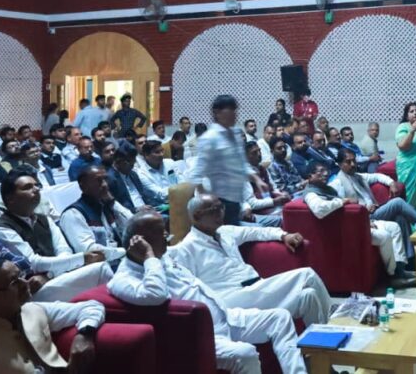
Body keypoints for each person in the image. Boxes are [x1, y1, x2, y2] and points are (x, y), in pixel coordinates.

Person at [109, 212, 307, 374]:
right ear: (139, 241)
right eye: (160, 231)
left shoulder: (164, 256)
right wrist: (149, 258)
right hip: (196, 338)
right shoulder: (123, 278)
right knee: (245, 353)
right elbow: (155, 294)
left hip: (226, 318)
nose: (166, 235)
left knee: (280, 318)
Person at [170, 193, 330, 326]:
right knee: (307, 274)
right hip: (230, 299)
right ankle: (336, 323)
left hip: (255, 287)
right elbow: (185, 290)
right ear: (197, 216)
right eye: (213, 210)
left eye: (221, 207)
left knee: (308, 296)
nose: (220, 213)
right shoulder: (186, 249)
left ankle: (321, 350)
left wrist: (284, 235)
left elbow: (257, 232)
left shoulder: (226, 231)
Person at [0, 258, 103, 373]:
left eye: (21, 276)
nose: (25, 283)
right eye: (14, 282)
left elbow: (91, 307)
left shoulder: (32, 309)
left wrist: (84, 335)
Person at [0, 171, 113, 302]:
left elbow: (64, 250)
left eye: (36, 185)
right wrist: (82, 258)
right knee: (101, 269)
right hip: (31, 291)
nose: (36, 189)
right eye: (28, 187)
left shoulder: (44, 219)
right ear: (10, 198)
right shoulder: (1, 230)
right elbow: (33, 263)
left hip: (51, 278)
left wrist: (50, 274)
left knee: (100, 270)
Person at [301, 163, 414, 288]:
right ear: (310, 176)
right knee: (384, 236)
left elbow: (347, 211)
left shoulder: (328, 189)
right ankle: (393, 276)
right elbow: (319, 210)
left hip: (353, 224)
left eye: (326, 170)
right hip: (342, 232)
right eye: (321, 171)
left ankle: (400, 270)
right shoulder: (311, 194)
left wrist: (365, 222)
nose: (326, 174)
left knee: (394, 227)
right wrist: (342, 201)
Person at [331, 148, 416, 258]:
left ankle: (410, 259)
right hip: (365, 217)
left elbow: (378, 176)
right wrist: (363, 208)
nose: (353, 164)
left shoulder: (359, 176)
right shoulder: (338, 183)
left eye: (354, 160)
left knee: (400, 219)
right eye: (348, 162)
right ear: (340, 164)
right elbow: (340, 206)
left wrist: (392, 183)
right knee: (397, 202)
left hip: (376, 210)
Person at [188, 96, 251, 226]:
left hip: (237, 198)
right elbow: (197, 174)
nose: (235, 114)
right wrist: (207, 199)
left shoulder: (235, 134)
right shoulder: (210, 138)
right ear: (217, 112)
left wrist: (256, 178)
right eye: (230, 110)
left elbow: (242, 163)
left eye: (235, 110)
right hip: (221, 201)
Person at [58, 167, 131, 259]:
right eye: (99, 181)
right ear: (83, 186)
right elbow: (90, 251)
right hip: (103, 264)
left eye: (105, 179)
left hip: (123, 258)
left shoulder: (107, 206)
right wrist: (125, 251)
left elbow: (133, 226)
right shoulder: (73, 214)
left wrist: (113, 202)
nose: (105, 185)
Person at [242, 143, 287, 226]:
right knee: (287, 218)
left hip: (273, 206)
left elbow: (274, 188)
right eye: (254, 153)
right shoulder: (244, 175)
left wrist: (281, 195)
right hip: (260, 211)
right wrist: (275, 201)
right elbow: (252, 204)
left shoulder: (262, 168)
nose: (259, 154)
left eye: (259, 151)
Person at [107, 143, 155, 212]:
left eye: (133, 163)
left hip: (147, 210)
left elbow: (144, 196)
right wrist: (136, 210)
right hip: (132, 215)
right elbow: (116, 207)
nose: (132, 167)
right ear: (119, 162)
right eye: (130, 164)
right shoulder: (111, 179)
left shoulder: (133, 174)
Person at [135, 140, 179, 206]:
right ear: (146, 155)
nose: (162, 154)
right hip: (161, 207)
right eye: (157, 152)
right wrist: (179, 189)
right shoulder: (141, 174)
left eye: (162, 151)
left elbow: (182, 181)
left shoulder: (170, 162)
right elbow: (160, 195)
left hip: (179, 199)